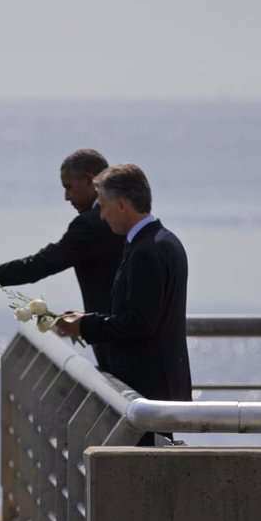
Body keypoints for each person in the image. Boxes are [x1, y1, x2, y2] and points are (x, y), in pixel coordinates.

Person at [0, 148, 126, 370]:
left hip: (119, 344)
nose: (66, 197)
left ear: (90, 180)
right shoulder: (123, 216)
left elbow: (35, 268)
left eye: (68, 187)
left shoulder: (90, 224)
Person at [54, 163, 191, 407]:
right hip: (163, 383)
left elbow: (139, 323)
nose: (102, 215)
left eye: (104, 207)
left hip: (147, 388)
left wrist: (85, 325)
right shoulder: (166, 241)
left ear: (122, 205)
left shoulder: (145, 252)